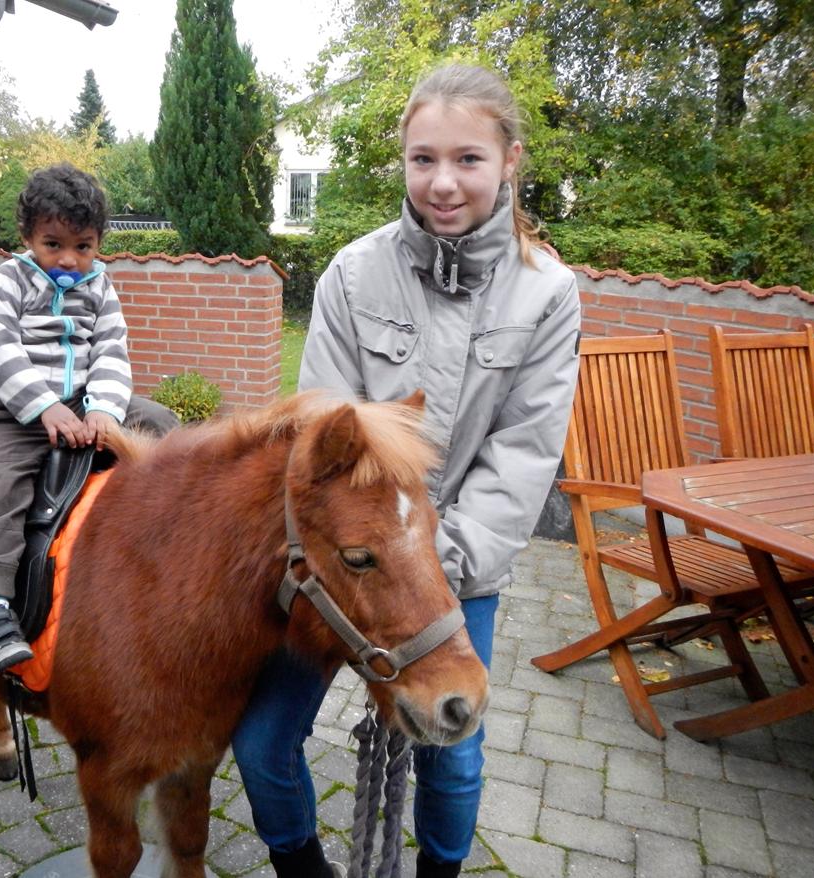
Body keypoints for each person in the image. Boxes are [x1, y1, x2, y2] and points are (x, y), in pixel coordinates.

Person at [231, 64, 581, 877]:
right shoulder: (354, 273)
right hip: (349, 559)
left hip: (458, 567)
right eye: (423, 159)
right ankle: (301, 867)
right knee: (261, 738)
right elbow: (324, 429)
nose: (444, 181)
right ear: (403, 162)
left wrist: (431, 572)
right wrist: (376, 561)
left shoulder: (549, 294)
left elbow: (524, 451)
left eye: (468, 158)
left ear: (510, 161)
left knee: (453, 753)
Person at [0, 163, 178, 677]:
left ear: (98, 244)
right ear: (28, 236)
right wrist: (41, 406)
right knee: (3, 484)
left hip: (82, 401)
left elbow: (111, 351)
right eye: (53, 244)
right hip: (13, 410)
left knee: (164, 425)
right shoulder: (8, 281)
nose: (69, 260)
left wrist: (103, 407)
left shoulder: (99, 286)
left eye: (84, 246)